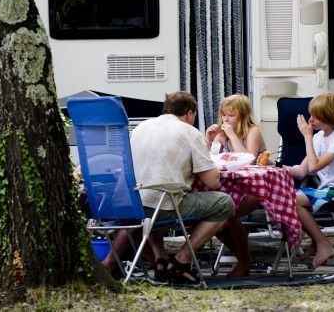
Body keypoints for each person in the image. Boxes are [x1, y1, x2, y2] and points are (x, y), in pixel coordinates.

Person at [109, 91, 236, 285]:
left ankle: (160, 260)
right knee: (224, 203)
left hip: (129, 203)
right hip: (159, 207)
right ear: (190, 114)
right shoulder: (189, 132)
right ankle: (180, 261)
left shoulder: (141, 127)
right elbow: (212, 182)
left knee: (155, 197)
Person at [285, 91, 334, 269]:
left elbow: (314, 167)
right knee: (286, 198)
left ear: (329, 117)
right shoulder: (319, 137)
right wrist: (276, 166)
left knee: (292, 200)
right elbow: (300, 171)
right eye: (311, 114)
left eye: (316, 116)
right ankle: (317, 241)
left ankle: (323, 244)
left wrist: (307, 137)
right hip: (328, 191)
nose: (311, 120)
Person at [202, 94, 267, 277]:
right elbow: (209, 160)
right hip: (233, 187)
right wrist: (210, 140)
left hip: (256, 188)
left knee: (225, 213)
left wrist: (231, 135)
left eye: (231, 115)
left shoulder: (252, 131)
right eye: (224, 115)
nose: (226, 119)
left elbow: (248, 159)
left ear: (243, 115)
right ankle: (244, 259)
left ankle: (244, 260)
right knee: (215, 215)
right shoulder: (223, 134)